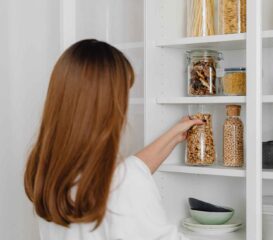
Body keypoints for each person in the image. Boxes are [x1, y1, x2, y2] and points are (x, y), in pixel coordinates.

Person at [24, 39, 203, 240]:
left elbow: (124, 174)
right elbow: (124, 182)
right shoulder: (127, 184)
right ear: (108, 105)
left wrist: (172, 136)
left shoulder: (48, 171)